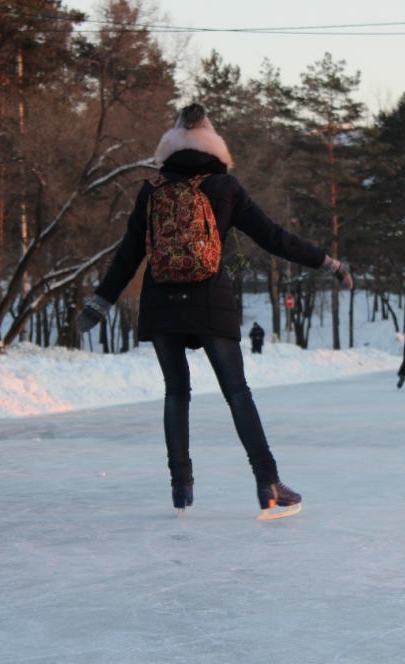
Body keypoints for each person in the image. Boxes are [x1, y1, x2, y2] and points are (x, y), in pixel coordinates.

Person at [76, 103, 353, 517]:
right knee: (237, 392)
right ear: (213, 142)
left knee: (176, 392)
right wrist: (328, 263)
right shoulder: (225, 189)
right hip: (211, 300)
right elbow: (274, 237)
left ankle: (181, 487)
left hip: (162, 300)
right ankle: (267, 482)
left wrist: (100, 303)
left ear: (170, 143)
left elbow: (128, 255)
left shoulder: (151, 188)